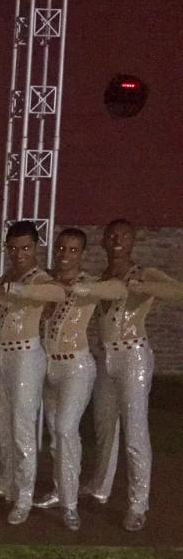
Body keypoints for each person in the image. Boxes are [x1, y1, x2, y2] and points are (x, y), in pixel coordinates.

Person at [21, 228, 128, 530]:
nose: (65, 255)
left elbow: (119, 290)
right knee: (56, 435)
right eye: (61, 248)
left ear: (82, 253)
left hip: (76, 367)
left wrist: (83, 289)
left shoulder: (89, 283)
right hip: (47, 365)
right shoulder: (45, 281)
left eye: (72, 250)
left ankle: (70, 505)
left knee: (66, 429)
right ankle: (60, 490)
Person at [80, 218, 183, 531]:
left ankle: (138, 504)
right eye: (112, 236)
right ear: (103, 241)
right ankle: (100, 486)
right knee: (104, 426)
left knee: (135, 431)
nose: (117, 241)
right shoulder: (102, 277)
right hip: (106, 356)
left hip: (133, 355)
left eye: (124, 236)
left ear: (133, 241)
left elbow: (177, 290)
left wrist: (143, 287)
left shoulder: (142, 273)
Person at [0, 221, 64, 525]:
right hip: (4, 355)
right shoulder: (9, 275)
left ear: (36, 247)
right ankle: (6, 482)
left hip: (27, 355)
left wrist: (7, 289)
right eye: (13, 248)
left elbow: (57, 293)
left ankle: (24, 496)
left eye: (25, 247)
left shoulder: (39, 278)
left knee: (23, 426)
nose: (19, 254)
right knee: (3, 423)